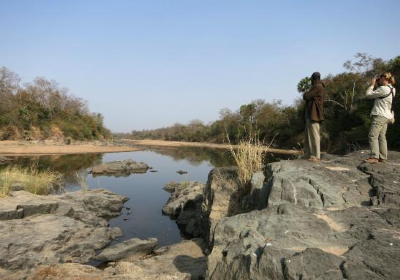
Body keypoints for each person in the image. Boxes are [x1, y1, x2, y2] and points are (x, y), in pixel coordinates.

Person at [364, 72, 396, 164]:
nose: (379, 80)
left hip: (380, 115)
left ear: (383, 79)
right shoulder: (392, 89)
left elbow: (368, 95)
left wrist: (372, 85)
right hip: (387, 116)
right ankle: (383, 157)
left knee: (372, 135)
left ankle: (374, 157)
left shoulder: (383, 89)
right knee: (382, 137)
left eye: (380, 78)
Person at [303, 72, 326, 162]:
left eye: (312, 79)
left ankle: (316, 155)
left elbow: (306, 96)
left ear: (314, 78)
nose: (311, 81)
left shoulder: (318, 86)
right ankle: (308, 154)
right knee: (308, 135)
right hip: (310, 114)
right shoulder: (316, 87)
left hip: (315, 114)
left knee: (314, 135)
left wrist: (307, 93)